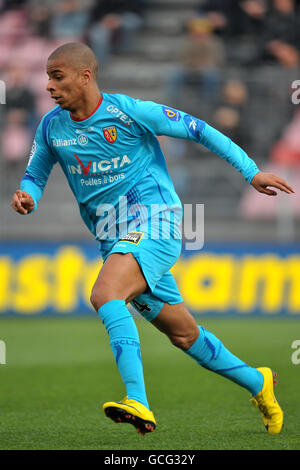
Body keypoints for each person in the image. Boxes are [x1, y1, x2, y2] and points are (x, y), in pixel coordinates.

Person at [11, 42, 293, 436]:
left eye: (57, 77)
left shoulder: (129, 112)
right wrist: (29, 196)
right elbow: (36, 174)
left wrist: (251, 172)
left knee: (105, 294)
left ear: (85, 76)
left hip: (156, 221)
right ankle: (257, 381)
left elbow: (199, 129)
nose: (49, 87)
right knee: (183, 334)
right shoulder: (51, 127)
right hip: (113, 237)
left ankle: (138, 400)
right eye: (47, 78)